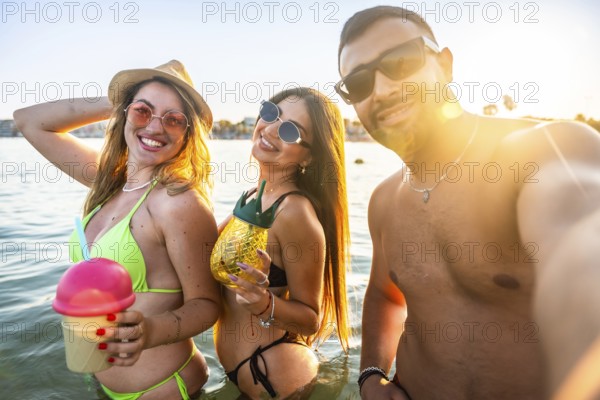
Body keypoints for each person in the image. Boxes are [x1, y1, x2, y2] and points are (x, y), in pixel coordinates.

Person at [336, 6, 600, 400]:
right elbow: (384, 296)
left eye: (401, 62)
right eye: (358, 84)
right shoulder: (384, 201)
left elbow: (581, 258)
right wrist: (371, 377)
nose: (384, 89)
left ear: (444, 65)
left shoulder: (546, 151)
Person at [14, 60, 221, 399]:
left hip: (161, 388)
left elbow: (207, 305)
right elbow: (29, 120)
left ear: (187, 133)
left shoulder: (178, 203)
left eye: (173, 119)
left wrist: (150, 331)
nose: (155, 127)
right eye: (143, 112)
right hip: (100, 378)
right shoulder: (110, 182)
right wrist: (123, 97)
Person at [213, 87, 350, 399]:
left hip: (273, 370)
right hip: (245, 371)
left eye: (290, 131)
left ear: (310, 155)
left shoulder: (294, 213)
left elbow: (310, 319)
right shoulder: (252, 196)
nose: (271, 129)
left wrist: (262, 302)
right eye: (271, 113)